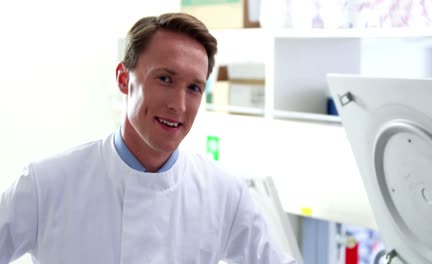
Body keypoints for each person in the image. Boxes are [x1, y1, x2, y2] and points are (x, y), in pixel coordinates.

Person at [0, 13, 297, 264]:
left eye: (194, 87)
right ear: (123, 79)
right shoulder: (47, 183)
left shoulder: (225, 195)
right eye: (165, 79)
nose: (179, 105)